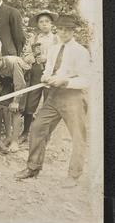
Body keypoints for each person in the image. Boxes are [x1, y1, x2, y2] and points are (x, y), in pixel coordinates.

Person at [15, 15, 90, 188]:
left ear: (73, 31)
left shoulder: (80, 51)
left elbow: (87, 79)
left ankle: (74, 175)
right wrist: (46, 76)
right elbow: (48, 69)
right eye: (61, 29)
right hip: (53, 96)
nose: (63, 32)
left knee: (78, 136)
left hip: (73, 97)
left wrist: (66, 81)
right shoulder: (54, 49)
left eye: (67, 29)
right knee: (37, 128)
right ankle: (32, 168)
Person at [19, 10, 59, 142]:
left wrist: (46, 58)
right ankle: (25, 133)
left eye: (47, 21)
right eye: (41, 22)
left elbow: (61, 56)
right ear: (38, 24)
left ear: (51, 23)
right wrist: (33, 59)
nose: (44, 24)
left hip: (52, 73)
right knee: (31, 102)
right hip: (36, 72)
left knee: (49, 103)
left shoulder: (57, 39)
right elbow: (26, 53)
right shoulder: (33, 38)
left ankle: (46, 135)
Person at [0, 48, 31, 153]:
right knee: (4, 106)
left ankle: (15, 141)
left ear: (0, 60)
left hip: (24, 80)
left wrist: (16, 101)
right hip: (8, 81)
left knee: (16, 110)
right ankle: (9, 136)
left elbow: (20, 84)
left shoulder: (13, 63)